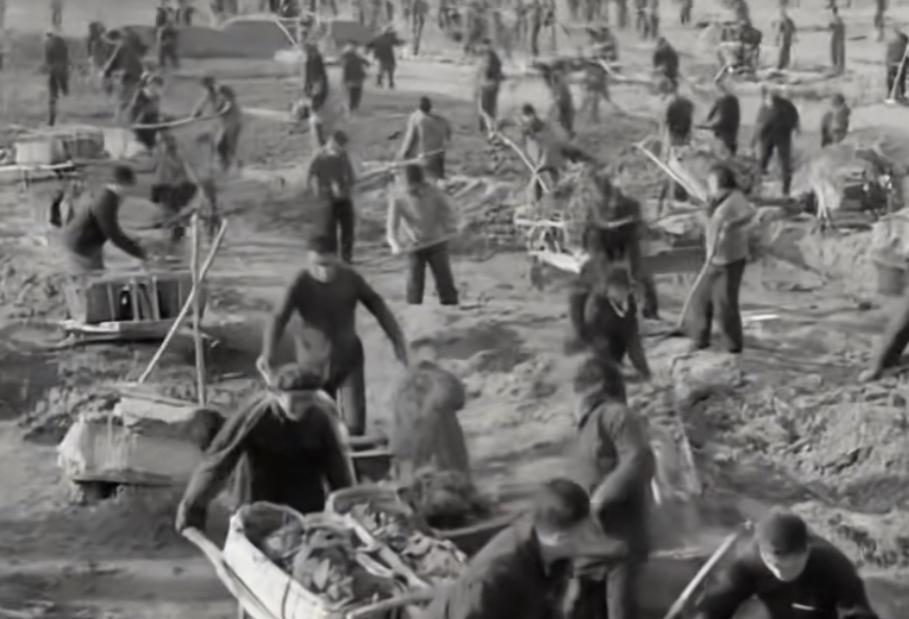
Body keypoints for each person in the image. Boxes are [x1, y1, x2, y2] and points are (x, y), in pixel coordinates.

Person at [257, 235, 409, 436]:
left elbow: (377, 305)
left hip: (348, 361)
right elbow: (278, 317)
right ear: (309, 261)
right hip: (312, 366)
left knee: (355, 427)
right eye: (317, 265)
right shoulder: (300, 282)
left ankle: (355, 450)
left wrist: (398, 342)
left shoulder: (350, 278)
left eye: (328, 264)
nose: (323, 271)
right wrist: (268, 352)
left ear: (337, 258)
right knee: (316, 426)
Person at [174, 364, 355, 531]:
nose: (301, 407)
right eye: (295, 400)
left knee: (303, 538)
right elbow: (220, 459)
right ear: (276, 395)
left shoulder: (321, 415)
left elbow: (337, 464)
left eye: (307, 399)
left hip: (304, 491)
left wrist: (348, 506)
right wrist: (192, 506)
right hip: (259, 491)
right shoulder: (256, 413)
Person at [424, 478, 611, 619]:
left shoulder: (555, 555)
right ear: (560, 538)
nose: (593, 538)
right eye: (587, 532)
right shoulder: (497, 575)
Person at [568, 355, 655, 619]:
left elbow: (639, 459)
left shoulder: (616, 414)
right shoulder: (588, 425)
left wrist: (599, 499)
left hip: (619, 540)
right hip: (590, 543)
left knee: (619, 611)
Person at [694, 510, 881, 619]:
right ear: (762, 554)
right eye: (774, 566)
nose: (781, 574)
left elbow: (859, 612)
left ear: (806, 552)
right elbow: (719, 603)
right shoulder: (751, 562)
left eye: (791, 567)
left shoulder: (833, 565)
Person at [685, 164, 754, 354]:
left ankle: (733, 347)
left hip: (729, 261)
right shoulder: (718, 199)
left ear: (719, 182)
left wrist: (732, 224)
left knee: (724, 305)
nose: (709, 186)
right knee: (700, 300)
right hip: (715, 258)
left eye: (711, 182)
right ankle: (700, 340)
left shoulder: (735, 200)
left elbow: (749, 214)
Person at [581, 175, 659, 319]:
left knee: (636, 267)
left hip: (619, 239)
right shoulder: (596, 205)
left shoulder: (629, 204)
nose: (612, 203)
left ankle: (649, 308)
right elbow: (598, 225)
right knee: (603, 259)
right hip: (605, 239)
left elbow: (636, 223)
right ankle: (647, 308)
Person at [386, 164, 459, 306]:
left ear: (421, 183)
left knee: (444, 279)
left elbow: (449, 212)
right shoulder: (398, 198)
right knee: (414, 282)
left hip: (437, 241)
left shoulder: (435, 192)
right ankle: (413, 310)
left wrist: (451, 226)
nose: (412, 190)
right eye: (408, 187)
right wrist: (394, 244)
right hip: (413, 245)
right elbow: (391, 228)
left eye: (416, 186)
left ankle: (451, 307)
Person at [568, 262, 651, 379]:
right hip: (595, 346)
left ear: (627, 289)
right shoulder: (598, 306)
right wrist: (612, 368)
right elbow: (596, 341)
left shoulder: (630, 305)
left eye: (621, 289)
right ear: (608, 289)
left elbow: (633, 342)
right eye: (614, 288)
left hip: (615, 346)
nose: (618, 292)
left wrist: (644, 371)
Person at [59, 165, 147, 274]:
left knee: (97, 272)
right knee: (92, 277)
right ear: (123, 184)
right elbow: (113, 235)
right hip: (80, 244)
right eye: (130, 186)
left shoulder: (109, 196)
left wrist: (133, 242)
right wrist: (140, 253)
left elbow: (111, 229)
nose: (130, 191)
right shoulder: (106, 200)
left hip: (86, 241)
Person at [306, 130, 357, 263]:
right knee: (330, 230)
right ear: (332, 142)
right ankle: (332, 258)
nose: (341, 148)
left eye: (342, 145)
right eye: (339, 144)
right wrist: (318, 192)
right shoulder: (319, 156)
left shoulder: (343, 155)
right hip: (327, 198)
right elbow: (311, 175)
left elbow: (350, 174)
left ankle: (347, 258)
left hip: (343, 196)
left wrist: (349, 185)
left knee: (348, 229)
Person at [150, 131, 197, 242]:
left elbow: (159, 178)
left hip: (173, 191)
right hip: (173, 191)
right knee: (175, 220)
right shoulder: (171, 157)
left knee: (173, 220)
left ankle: (177, 237)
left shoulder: (169, 158)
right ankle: (178, 236)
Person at [753, 86, 799, 196]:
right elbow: (795, 118)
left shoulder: (767, 106)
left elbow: (762, 124)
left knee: (763, 161)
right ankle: (786, 190)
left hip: (768, 136)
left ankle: (756, 187)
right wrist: (795, 129)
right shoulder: (788, 105)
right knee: (785, 163)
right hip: (784, 135)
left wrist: (754, 140)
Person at [193, 77, 243, 171]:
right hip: (225, 122)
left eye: (209, 86)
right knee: (222, 145)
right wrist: (198, 111)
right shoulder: (210, 93)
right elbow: (203, 102)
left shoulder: (223, 90)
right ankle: (229, 165)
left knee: (227, 145)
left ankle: (232, 165)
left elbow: (227, 104)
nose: (208, 89)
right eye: (206, 87)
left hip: (234, 120)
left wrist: (219, 110)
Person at [398, 96, 452, 179]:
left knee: (413, 178)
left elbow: (409, 138)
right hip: (439, 154)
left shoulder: (416, 117)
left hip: (424, 156)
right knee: (438, 178)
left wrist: (402, 155)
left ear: (419, 107)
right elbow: (449, 133)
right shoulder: (440, 118)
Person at [102, 29, 145, 121]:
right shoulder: (126, 46)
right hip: (134, 75)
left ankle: (118, 118)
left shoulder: (123, 46)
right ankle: (123, 117)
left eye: (109, 40)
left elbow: (114, 62)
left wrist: (106, 73)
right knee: (129, 97)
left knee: (126, 99)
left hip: (131, 75)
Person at [702, 79, 740, 156]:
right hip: (724, 138)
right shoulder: (721, 100)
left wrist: (709, 126)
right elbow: (710, 115)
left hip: (726, 139)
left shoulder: (729, 101)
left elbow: (725, 122)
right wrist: (705, 124)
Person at [476, 40, 504, 132]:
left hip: (488, 85)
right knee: (488, 107)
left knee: (487, 107)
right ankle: (486, 126)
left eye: (487, 46)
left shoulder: (490, 58)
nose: (486, 48)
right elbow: (481, 73)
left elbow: (491, 72)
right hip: (488, 85)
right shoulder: (488, 57)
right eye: (485, 46)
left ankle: (486, 127)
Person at [44, 31, 69, 126]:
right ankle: (55, 116)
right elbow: (66, 57)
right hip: (62, 69)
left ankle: (52, 117)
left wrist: (49, 67)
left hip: (54, 70)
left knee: (53, 94)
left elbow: (48, 59)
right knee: (63, 90)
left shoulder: (49, 44)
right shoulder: (62, 44)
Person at [340, 43, 370, 113]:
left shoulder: (347, 60)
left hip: (350, 80)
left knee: (351, 95)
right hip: (358, 80)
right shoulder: (357, 58)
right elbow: (366, 63)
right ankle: (354, 107)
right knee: (356, 95)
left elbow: (346, 71)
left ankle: (351, 108)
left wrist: (344, 80)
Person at [303, 43, 329, 110]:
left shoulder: (314, 58)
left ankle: (313, 109)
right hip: (316, 81)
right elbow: (309, 73)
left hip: (317, 81)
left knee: (316, 97)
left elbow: (313, 72)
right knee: (316, 97)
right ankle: (313, 110)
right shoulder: (311, 59)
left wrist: (307, 84)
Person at [885, 26, 908, 101]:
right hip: (898, 65)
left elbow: (888, 55)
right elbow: (905, 58)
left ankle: (889, 94)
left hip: (890, 64)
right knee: (901, 79)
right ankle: (901, 95)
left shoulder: (891, 42)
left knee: (890, 79)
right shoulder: (903, 45)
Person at [829, 6, 845, 76]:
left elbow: (832, 26)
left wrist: (832, 26)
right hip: (838, 36)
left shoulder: (836, 18)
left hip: (838, 36)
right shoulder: (838, 18)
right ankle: (838, 65)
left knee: (836, 50)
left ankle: (837, 65)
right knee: (837, 50)